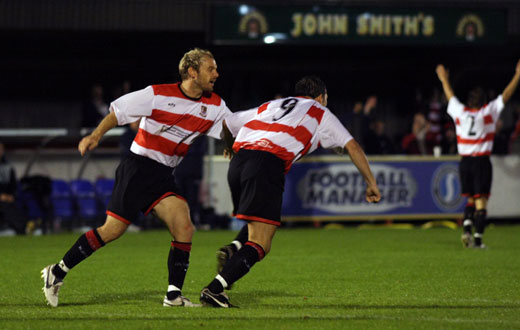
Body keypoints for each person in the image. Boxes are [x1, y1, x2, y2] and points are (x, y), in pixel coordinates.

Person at [41, 48, 232, 308]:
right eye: (211, 69)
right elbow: (117, 113)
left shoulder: (215, 105)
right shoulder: (158, 95)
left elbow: (230, 126)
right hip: (138, 168)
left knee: (184, 226)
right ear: (192, 72)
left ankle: (173, 296)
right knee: (112, 231)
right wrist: (95, 136)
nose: (216, 74)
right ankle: (57, 272)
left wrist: (231, 144)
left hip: (163, 175)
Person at [199, 76, 381, 308]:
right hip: (266, 163)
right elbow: (353, 146)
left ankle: (234, 248)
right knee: (261, 243)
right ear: (320, 97)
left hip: (238, 164)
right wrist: (371, 182)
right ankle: (214, 289)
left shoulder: (273, 105)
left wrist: (228, 146)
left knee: (263, 219)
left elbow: (228, 122)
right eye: (326, 97)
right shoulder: (319, 111)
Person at [436, 60, 520, 248]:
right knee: (481, 202)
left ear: (469, 101)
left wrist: (443, 79)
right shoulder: (487, 113)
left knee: (471, 199)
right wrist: (518, 75)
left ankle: (466, 230)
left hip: (465, 162)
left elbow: (450, 96)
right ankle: (478, 240)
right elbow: (505, 96)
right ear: (484, 101)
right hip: (481, 161)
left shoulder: (460, 113)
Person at [0, 142, 27, 235]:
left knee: (11, 207)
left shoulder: (8, 168)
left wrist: (11, 196)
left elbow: (13, 186)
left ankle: (21, 228)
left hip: (7, 199)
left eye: (1, 149)